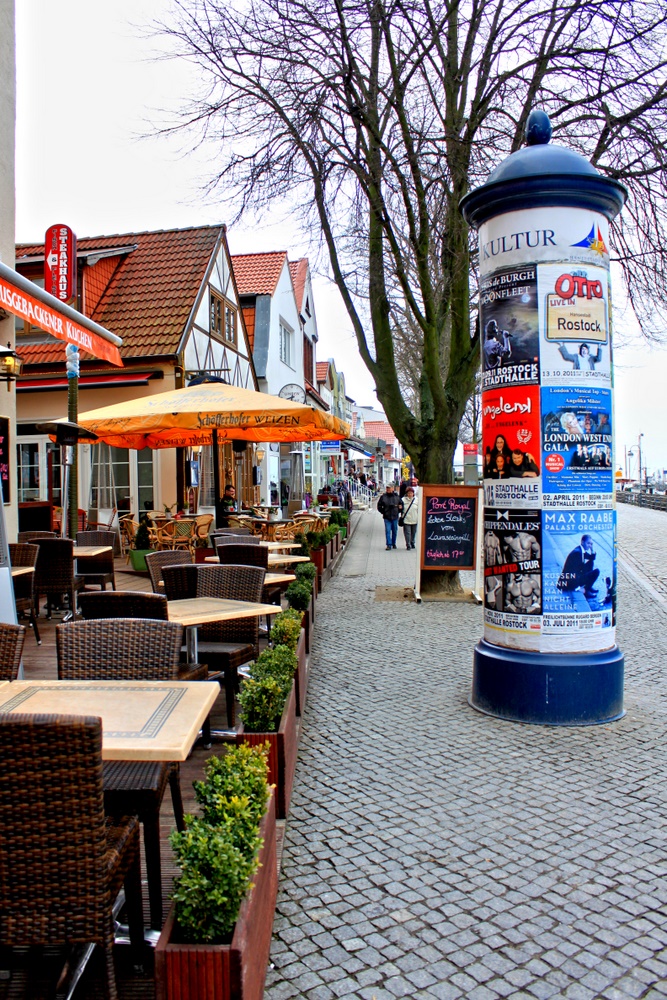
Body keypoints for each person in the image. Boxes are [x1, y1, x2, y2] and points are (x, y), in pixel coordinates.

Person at [557, 534, 600, 599]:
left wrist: (592, 549)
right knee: (596, 571)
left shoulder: (580, 550)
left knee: (591, 563)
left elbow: (591, 558)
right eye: (588, 543)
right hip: (569, 582)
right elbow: (572, 572)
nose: (589, 545)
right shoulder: (577, 553)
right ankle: (586, 591)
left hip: (575, 576)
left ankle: (589, 587)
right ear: (582, 542)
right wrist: (578, 588)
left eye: (591, 544)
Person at [377, 482, 403, 550]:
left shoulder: (397, 496)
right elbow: (379, 506)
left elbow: (401, 505)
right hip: (387, 517)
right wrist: (383, 512)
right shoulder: (383, 497)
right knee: (388, 531)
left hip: (395, 517)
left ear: (392, 488)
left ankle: (393, 543)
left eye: (389, 488)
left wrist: (399, 510)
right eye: (387, 488)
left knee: (394, 531)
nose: (388, 489)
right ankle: (389, 544)